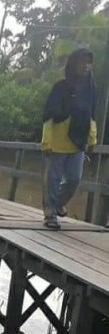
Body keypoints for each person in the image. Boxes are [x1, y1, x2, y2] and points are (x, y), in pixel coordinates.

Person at [41, 48, 97, 229]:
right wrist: (46, 141)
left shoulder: (89, 90)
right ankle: (50, 213)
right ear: (74, 64)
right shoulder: (60, 87)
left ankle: (57, 204)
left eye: (89, 62)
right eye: (82, 61)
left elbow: (91, 116)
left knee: (74, 179)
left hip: (78, 141)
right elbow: (49, 115)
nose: (86, 65)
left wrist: (92, 139)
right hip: (57, 141)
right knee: (54, 179)